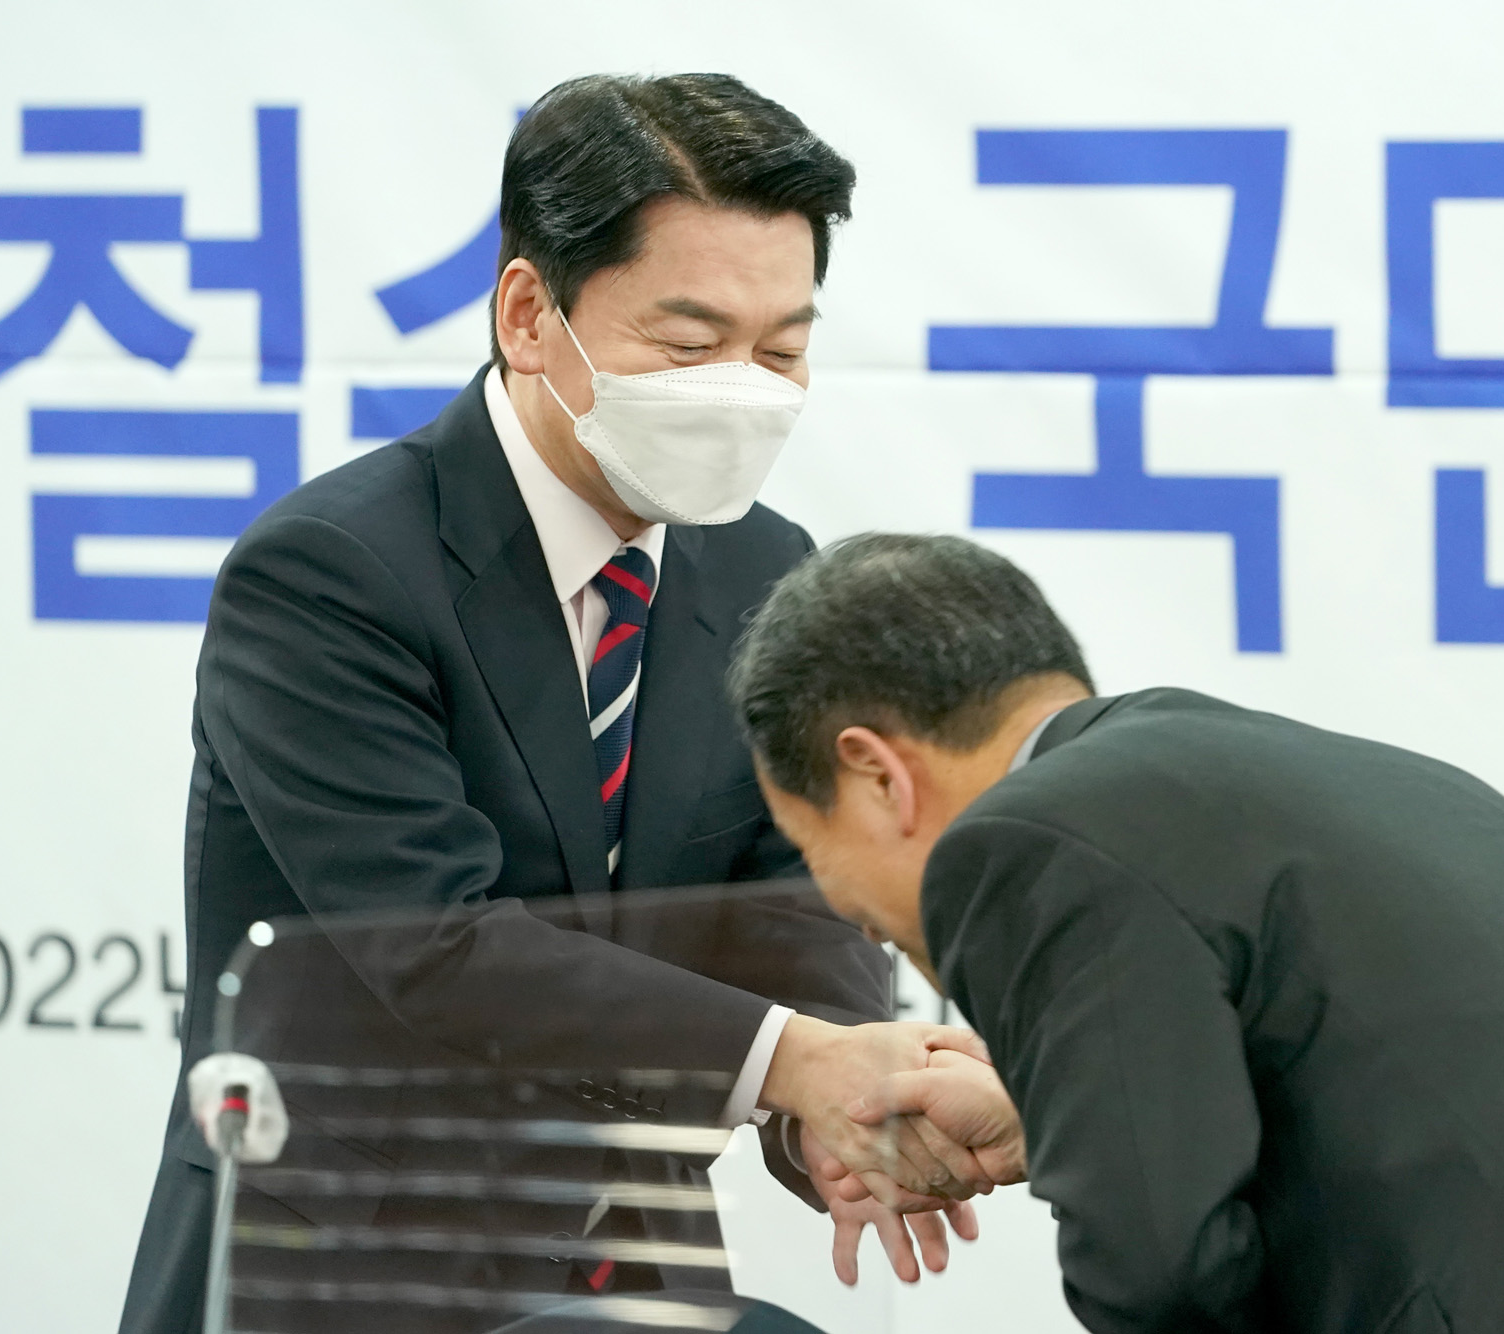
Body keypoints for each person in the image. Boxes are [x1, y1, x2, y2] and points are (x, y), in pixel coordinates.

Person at [120, 76, 986, 1334]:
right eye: (687, 346)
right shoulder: (330, 572)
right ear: (529, 314)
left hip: (631, 1272)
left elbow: (789, 894)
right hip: (342, 1267)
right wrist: (796, 1060)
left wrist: (836, 1111)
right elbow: (437, 943)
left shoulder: (764, 565)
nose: (740, 390)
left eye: (781, 350)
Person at [730, 532, 1504, 1334]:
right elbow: (1404, 1086)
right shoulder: (1306, 770)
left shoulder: (1019, 839)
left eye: (827, 865)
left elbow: (1158, 1274)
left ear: (875, 775)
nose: (875, 927)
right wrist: (1051, 1118)